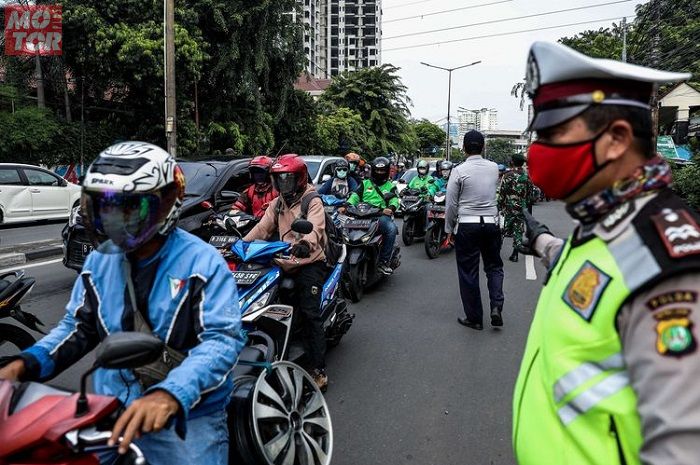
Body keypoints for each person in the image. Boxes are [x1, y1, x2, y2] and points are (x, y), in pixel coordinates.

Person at [512, 42, 699, 465]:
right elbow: (595, 278)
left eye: (552, 136)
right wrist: (543, 243)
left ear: (616, 139)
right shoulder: (605, 223)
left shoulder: (666, 266)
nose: (537, 151)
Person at [0, 142, 245, 464]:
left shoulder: (203, 263)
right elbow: (79, 327)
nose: (113, 218)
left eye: (128, 207)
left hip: (186, 415)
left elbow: (221, 341)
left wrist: (171, 394)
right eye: (104, 206)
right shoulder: (99, 262)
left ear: (166, 204)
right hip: (110, 406)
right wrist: (23, 364)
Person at [242, 154, 330, 391]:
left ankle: (319, 369)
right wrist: (239, 246)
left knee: (310, 313)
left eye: (287, 179)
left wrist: (305, 244)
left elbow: (316, 227)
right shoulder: (278, 202)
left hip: (308, 261)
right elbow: (262, 228)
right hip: (283, 261)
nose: (283, 184)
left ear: (299, 179)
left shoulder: (311, 199)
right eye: (279, 179)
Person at [445, 130, 504, 330]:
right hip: (491, 224)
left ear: (463, 148)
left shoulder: (458, 171)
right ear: (483, 147)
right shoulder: (494, 168)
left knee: (468, 272)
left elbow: (451, 204)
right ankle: (496, 306)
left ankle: (475, 318)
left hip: (467, 225)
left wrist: (449, 229)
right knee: (494, 267)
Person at [345, 156, 400, 276]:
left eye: (382, 170)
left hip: (379, 215)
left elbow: (395, 200)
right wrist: (347, 205)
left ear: (386, 171)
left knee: (391, 229)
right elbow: (355, 196)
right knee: (342, 229)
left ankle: (383, 262)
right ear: (373, 170)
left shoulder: (390, 186)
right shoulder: (365, 183)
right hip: (361, 215)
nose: (379, 173)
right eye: (377, 170)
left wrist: (391, 208)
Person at [497, 153, 535, 263]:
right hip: (521, 209)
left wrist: (499, 206)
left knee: (502, 230)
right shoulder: (527, 177)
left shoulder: (507, 175)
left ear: (512, 162)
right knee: (518, 231)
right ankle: (515, 254)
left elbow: (502, 194)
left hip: (508, 208)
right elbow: (530, 196)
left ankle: (496, 253)